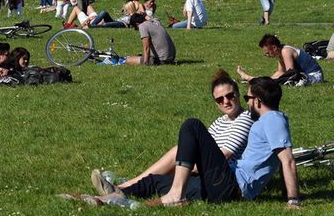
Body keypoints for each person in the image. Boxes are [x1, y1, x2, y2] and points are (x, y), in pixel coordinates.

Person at [88, 70, 253, 199]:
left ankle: (126, 186)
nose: (226, 101)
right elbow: (200, 150)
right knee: (155, 181)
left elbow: (224, 155)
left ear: (238, 94)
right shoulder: (220, 121)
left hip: (222, 179)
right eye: (220, 99)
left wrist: (183, 167)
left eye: (230, 96)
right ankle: (119, 191)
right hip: (204, 176)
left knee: (182, 144)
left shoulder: (245, 119)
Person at [238, 34, 323, 86]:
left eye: (267, 52)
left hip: (314, 76)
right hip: (303, 75)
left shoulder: (285, 51)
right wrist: (270, 79)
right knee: (273, 81)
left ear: (274, 47)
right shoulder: (280, 53)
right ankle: (255, 80)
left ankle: (250, 78)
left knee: (283, 80)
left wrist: (272, 81)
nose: (266, 55)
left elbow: (290, 72)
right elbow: (280, 71)